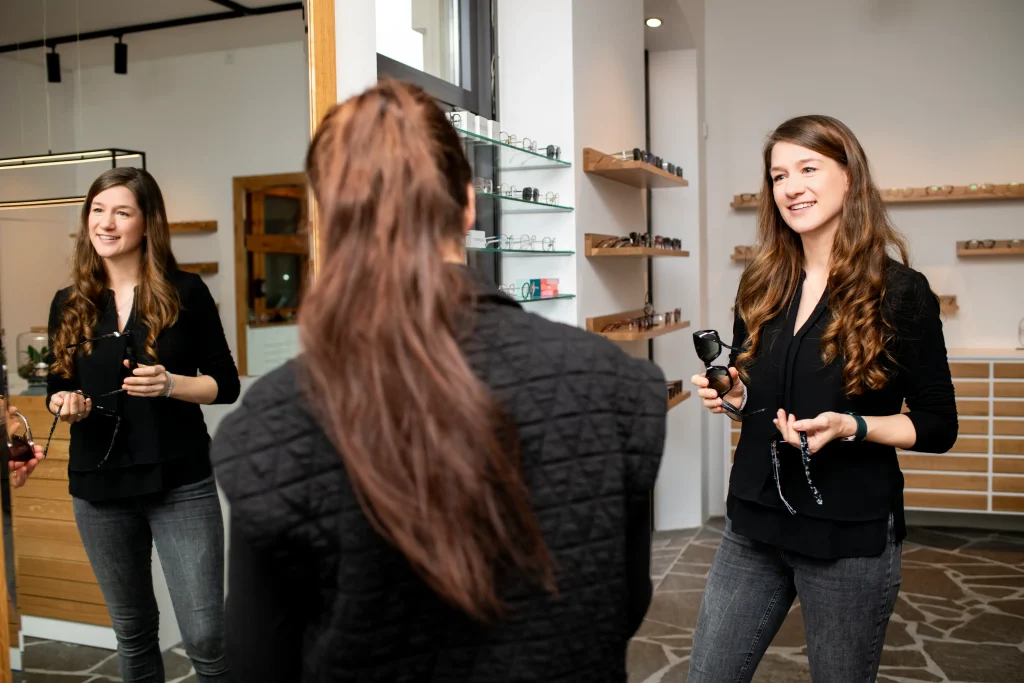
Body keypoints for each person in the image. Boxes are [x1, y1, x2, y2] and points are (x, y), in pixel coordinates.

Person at [209, 79, 668, 682]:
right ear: (469, 204)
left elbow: (255, 664)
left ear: (325, 223)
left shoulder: (276, 420)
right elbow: (623, 604)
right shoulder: (613, 384)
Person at [687, 115, 958, 682]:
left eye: (808, 168)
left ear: (850, 179)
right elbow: (758, 395)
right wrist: (735, 395)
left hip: (847, 533)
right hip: (755, 521)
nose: (791, 186)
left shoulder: (902, 293)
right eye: (778, 175)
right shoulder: (760, 283)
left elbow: (937, 425)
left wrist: (852, 426)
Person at [37, 167, 240, 682]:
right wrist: (64, 403)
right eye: (97, 211)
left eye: (121, 212)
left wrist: (171, 384)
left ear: (147, 224)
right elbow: (56, 386)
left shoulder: (185, 291)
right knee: (132, 632)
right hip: (98, 486)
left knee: (206, 637)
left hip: (181, 483)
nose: (105, 223)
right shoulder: (70, 302)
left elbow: (225, 382)